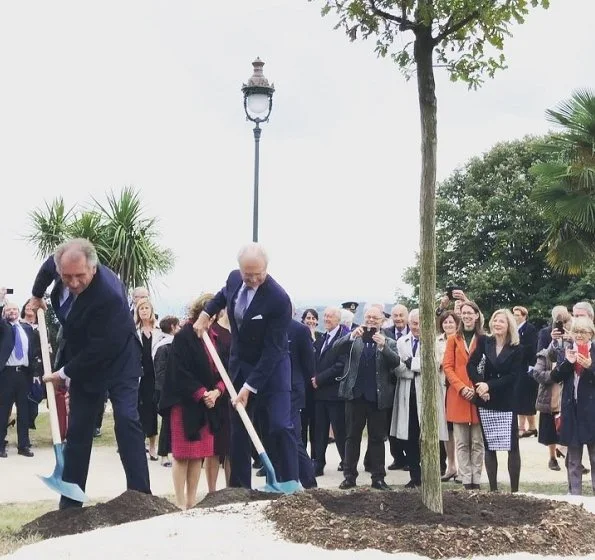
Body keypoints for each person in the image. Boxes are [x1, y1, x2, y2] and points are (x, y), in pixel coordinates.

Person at [30, 238, 150, 508]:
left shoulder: (108, 296)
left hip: (119, 358)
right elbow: (46, 272)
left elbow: (102, 347)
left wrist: (63, 372)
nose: (72, 282)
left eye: (79, 276)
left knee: (126, 419)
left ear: (93, 269)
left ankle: (140, 498)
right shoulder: (62, 262)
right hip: (85, 357)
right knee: (79, 428)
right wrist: (37, 295)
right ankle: (71, 503)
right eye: (66, 276)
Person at [193, 243, 298, 489]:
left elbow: (273, 350)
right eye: (247, 274)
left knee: (279, 424)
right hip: (240, 365)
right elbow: (222, 296)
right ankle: (239, 489)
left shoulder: (279, 299)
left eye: (257, 274)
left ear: (266, 268)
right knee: (239, 428)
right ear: (240, 269)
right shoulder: (233, 279)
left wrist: (251, 387)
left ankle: (289, 483)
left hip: (273, 370)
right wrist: (206, 314)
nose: (252, 279)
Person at [161, 295, 229, 507]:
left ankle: (192, 501)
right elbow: (178, 372)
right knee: (183, 456)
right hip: (185, 404)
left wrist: (217, 392)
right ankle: (180, 502)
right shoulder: (184, 336)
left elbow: (224, 371)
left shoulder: (214, 336)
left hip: (209, 404)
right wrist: (201, 394)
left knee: (198, 455)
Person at [334, 303, 399, 490]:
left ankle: (378, 477)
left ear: (382, 321)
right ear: (364, 318)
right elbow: (336, 350)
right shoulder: (356, 337)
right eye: (368, 317)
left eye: (375, 318)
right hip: (355, 396)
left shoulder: (389, 339)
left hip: (378, 398)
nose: (371, 321)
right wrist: (350, 336)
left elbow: (395, 362)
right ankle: (349, 476)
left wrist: (383, 346)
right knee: (352, 437)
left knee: (377, 439)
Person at [468, 309, 523, 493]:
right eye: (495, 320)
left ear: (509, 326)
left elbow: (513, 376)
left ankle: (514, 491)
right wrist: (479, 386)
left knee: (511, 446)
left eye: (502, 321)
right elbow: (471, 364)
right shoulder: (484, 341)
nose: (497, 324)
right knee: (489, 446)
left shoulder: (517, 348)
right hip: (486, 400)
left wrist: (489, 385)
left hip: (506, 400)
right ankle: (493, 490)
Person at [551, 316, 595, 495]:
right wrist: (568, 363)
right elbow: (555, 377)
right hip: (572, 411)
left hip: (592, 413)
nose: (579, 335)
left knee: (594, 457)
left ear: (591, 334)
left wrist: (591, 367)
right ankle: (575, 496)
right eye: (576, 331)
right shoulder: (566, 351)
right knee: (574, 459)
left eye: (583, 332)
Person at [442, 301, 484, 490]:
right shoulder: (453, 339)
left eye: (470, 313)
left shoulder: (484, 338)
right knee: (461, 442)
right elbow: (448, 367)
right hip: (458, 395)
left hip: (478, 395)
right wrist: (461, 387)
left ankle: (477, 477)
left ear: (476, 316)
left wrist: (478, 387)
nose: (466, 316)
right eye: (464, 313)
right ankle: (466, 479)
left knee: (477, 441)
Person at [0, 297, 42, 458]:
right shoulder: (4, 328)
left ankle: (23, 445)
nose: (12, 311)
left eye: (15, 309)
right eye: (8, 309)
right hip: (7, 375)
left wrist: (35, 373)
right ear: (4, 313)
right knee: (3, 411)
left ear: (19, 312)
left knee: (24, 411)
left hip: (24, 374)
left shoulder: (26, 329)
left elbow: (32, 352)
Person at [135, 297, 164, 460]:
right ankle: (140, 446)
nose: (144, 311)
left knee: (152, 411)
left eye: (146, 308)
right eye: (141, 309)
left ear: (151, 311)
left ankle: (153, 446)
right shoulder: (135, 331)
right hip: (140, 376)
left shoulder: (159, 331)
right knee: (139, 411)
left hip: (154, 376)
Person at [154, 315, 181, 467]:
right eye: (178, 326)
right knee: (166, 422)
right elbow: (161, 372)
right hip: (165, 390)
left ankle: (171, 452)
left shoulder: (174, 344)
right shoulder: (164, 346)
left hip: (173, 389)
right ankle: (163, 454)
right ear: (172, 327)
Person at [512, 306, 539, 438]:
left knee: (527, 398)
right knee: (518, 396)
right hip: (517, 367)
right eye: (514, 315)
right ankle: (521, 427)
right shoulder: (513, 329)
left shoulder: (530, 329)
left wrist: (516, 348)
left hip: (527, 366)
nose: (515, 317)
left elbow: (532, 348)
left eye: (517, 315)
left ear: (524, 316)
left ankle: (531, 427)